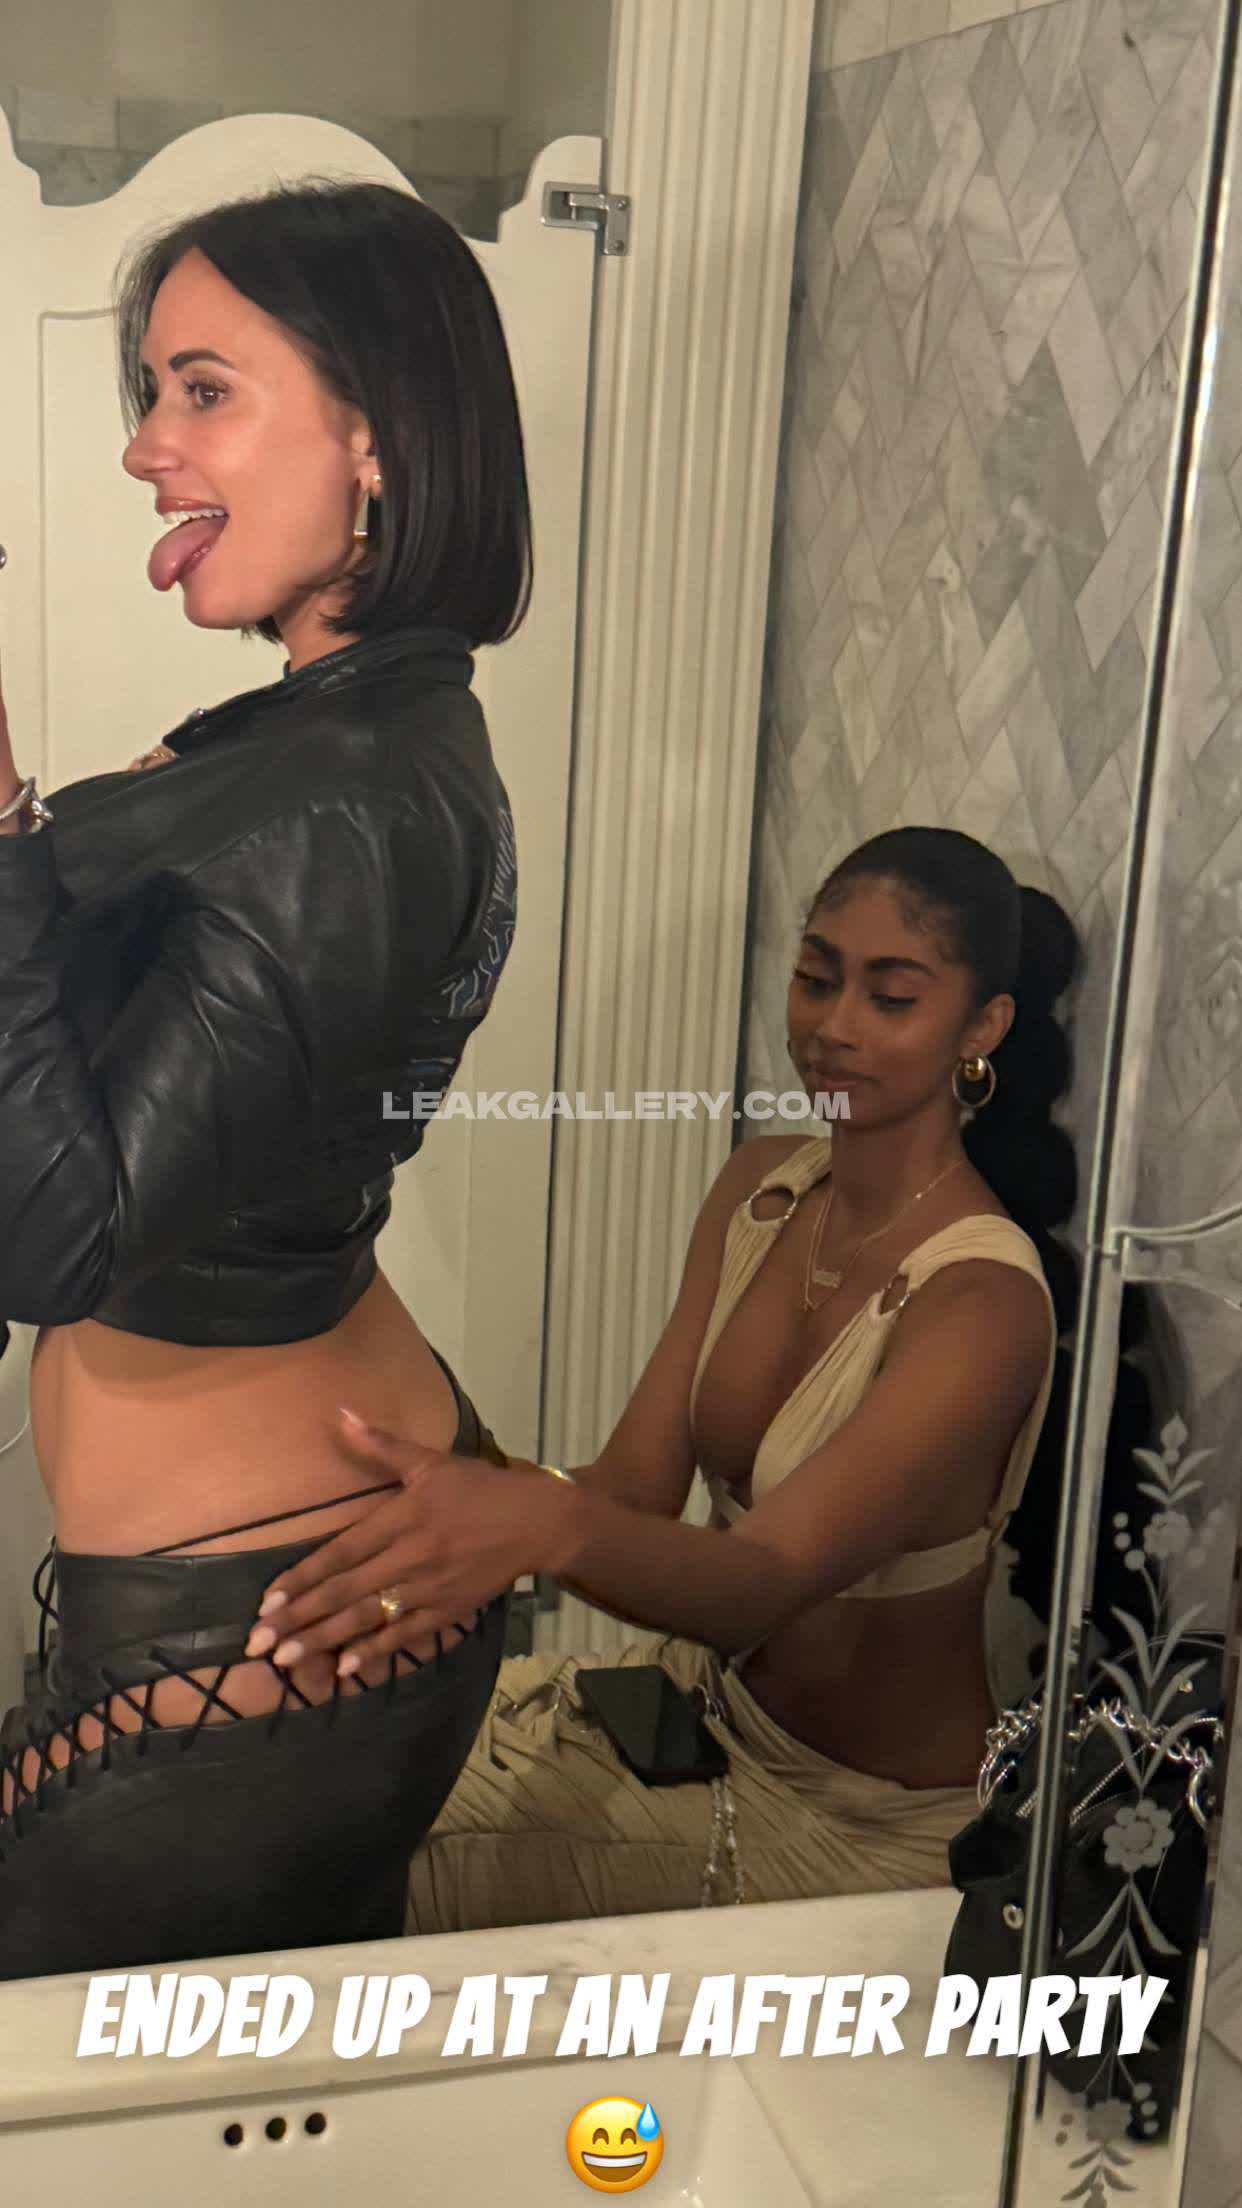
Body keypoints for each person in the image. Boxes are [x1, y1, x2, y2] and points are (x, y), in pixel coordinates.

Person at [0, 177, 530, 1976]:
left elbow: (57, 1237)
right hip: (260, 1571)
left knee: (120, 2095)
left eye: (205, 390)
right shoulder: (334, 728)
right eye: (153, 391)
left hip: (253, 1618)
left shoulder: (351, 790)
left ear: (376, 437)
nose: (146, 445)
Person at [247, 828, 1079, 1931]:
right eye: (815, 978)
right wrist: (439, 1487)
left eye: (890, 998)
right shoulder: (764, 1190)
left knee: (358, 1882)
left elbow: (761, 1583)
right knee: (313, 1773)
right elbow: (636, 1488)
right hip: (689, 1710)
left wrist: (532, 1526)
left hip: (855, 1822)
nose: (832, 1027)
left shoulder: (984, 1303)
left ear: (982, 1029)